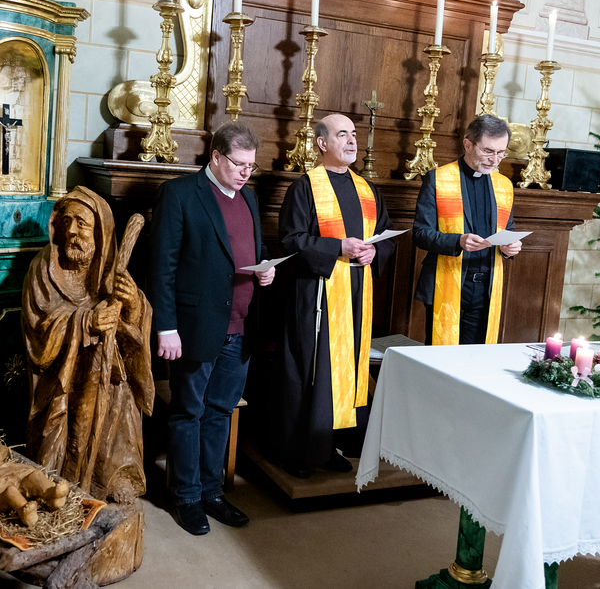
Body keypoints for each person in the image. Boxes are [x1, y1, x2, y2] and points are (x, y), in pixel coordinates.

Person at [149, 121, 275, 535]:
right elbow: (161, 267)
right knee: (189, 411)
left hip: (241, 325)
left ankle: (211, 492)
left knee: (221, 411)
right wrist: (166, 327)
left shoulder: (249, 197)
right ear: (216, 156)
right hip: (195, 326)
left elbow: (254, 250)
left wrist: (266, 270)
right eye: (239, 165)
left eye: (251, 166)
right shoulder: (180, 194)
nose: (246, 173)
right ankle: (185, 497)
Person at [277, 113, 394, 479]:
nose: (352, 141)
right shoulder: (305, 187)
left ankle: (329, 445)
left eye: (353, 134)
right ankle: (297, 450)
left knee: (347, 369)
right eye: (342, 134)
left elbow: (385, 234)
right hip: (318, 293)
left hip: (357, 293)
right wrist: (337, 247)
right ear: (321, 143)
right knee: (312, 369)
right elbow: (291, 240)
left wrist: (375, 252)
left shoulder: (367, 190)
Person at [22, 187, 154, 505]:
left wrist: (133, 304)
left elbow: (139, 321)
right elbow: (39, 326)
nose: (72, 231)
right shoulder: (44, 269)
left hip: (106, 369)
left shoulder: (111, 268)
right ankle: (57, 480)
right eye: (66, 222)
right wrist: (85, 322)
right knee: (62, 405)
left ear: (99, 230)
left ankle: (113, 475)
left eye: (81, 223)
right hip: (62, 372)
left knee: (121, 389)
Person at [412, 114, 522, 346]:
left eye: (501, 152)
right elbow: (420, 233)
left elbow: (508, 229)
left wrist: (510, 247)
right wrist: (458, 241)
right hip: (446, 281)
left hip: (486, 287)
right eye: (488, 151)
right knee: (441, 357)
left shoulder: (503, 185)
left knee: (475, 357)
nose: (495, 160)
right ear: (468, 144)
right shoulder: (438, 179)